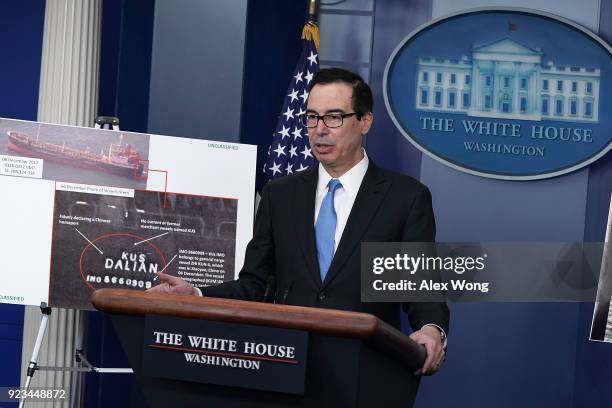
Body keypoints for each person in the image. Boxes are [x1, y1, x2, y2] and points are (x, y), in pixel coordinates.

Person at [149, 68, 449, 374]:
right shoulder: (279, 195)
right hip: (286, 370)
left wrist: (431, 329)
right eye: (311, 117)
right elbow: (255, 285)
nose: (319, 130)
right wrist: (196, 295)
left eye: (334, 117)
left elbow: (421, 289)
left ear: (364, 121)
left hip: (365, 373)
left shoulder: (405, 198)